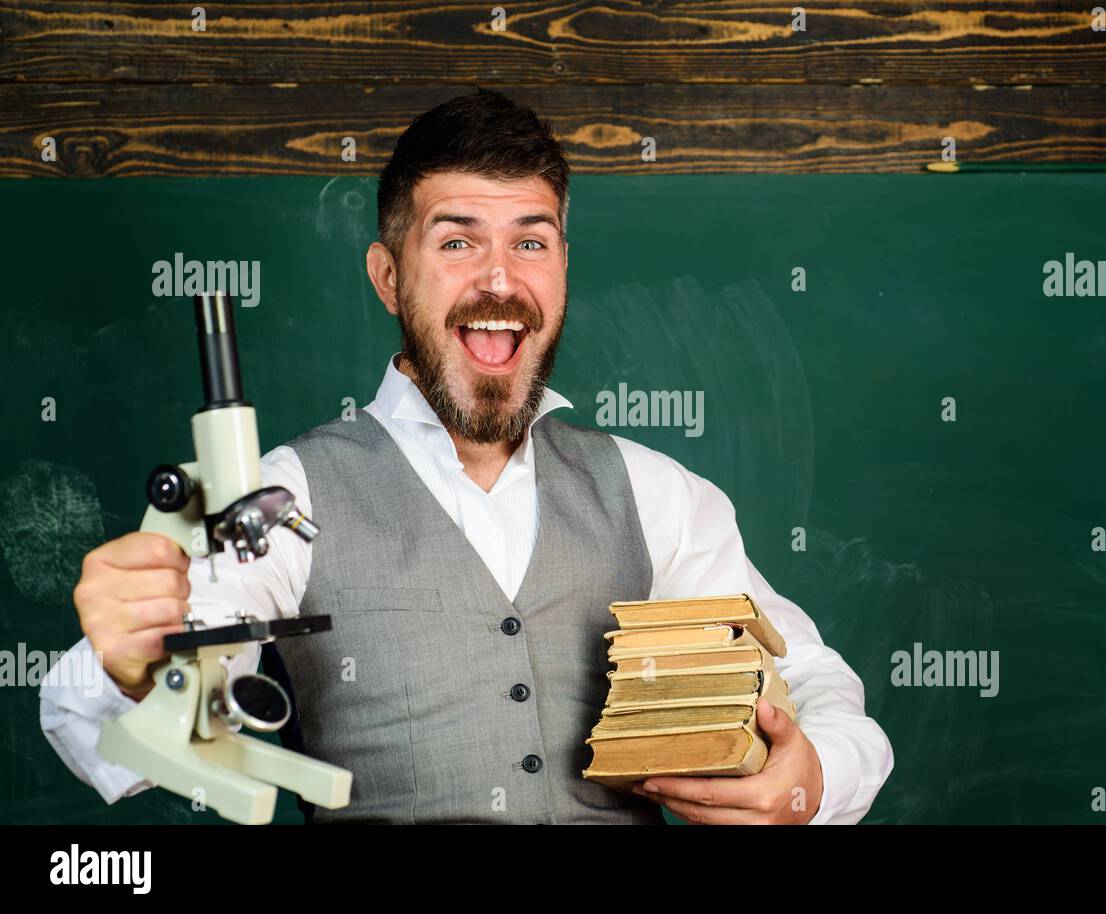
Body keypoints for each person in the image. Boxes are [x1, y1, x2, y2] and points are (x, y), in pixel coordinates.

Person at [39, 88, 893, 824]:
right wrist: (130, 664)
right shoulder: (288, 494)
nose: (498, 279)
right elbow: (100, 718)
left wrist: (809, 780)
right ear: (387, 277)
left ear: (562, 266)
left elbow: (816, 683)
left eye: (531, 240)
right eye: (456, 241)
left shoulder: (654, 492)